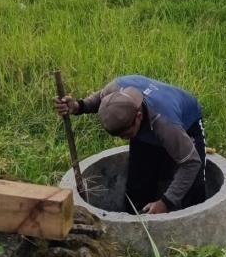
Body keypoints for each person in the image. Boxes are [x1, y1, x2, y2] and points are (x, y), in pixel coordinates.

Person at [54, 75, 206, 215]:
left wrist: (166, 202)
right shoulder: (115, 90)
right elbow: (98, 100)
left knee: (193, 190)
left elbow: (191, 163)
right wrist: (78, 106)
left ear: (138, 117)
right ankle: (137, 221)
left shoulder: (166, 123)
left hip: (187, 122)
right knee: (138, 185)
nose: (122, 139)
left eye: (126, 135)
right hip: (148, 125)